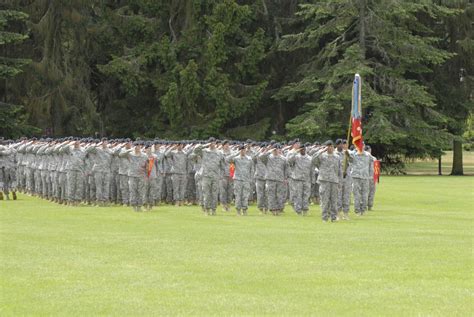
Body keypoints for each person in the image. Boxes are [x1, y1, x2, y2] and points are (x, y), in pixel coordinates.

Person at [191, 138, 225, 215]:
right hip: (206, 176)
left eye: (214, 143)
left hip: (215, 176)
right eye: (211, 143)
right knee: (206, 193)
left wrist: (222, 174)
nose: (212, 144)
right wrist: (205, 145)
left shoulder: (219, 153)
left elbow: (222, 165)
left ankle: (213, 209)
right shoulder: (204, 151)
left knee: (214, 194)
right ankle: (207, 209)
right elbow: (195, 150)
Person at [313, 140, 342, 222]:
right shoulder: (322, 156)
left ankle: (333, 217)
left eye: (331, 146)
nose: (330, 148)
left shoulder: (337, 157)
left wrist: (340, 182)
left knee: (334, 200)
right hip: (324, 181)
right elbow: (313, 160)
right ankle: (325, 218)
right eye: (328, 146)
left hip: (334, 181)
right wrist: (321, 151)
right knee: (325, 200)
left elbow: (340, 171)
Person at [259, 143, 288, 216]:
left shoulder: (283, 158)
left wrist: (285, 178)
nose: (276, 151)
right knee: (271, 195)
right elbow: (261, 157)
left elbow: (286, 169)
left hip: (280, 179)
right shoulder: (268, 157)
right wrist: (269, 151)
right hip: (270, 179)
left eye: (278, 149)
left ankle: (278, 209)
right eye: (275, 149)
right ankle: (272, 209)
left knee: (279, 195)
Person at [226, 145, 254, 215]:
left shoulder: (249, 159)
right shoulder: (236, 158)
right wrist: (236, 153)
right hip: (238, 179)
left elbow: (252, 169)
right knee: (238, 195)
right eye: (241, 150)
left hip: (246, 179)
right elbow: (227, 159)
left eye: (244, 150)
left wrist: (251, 179)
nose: (243, 151)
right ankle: (238, 210)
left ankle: (244, 210)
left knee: (245, 195)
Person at [346, 145, 373, 215]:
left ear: (364, 146)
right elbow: (349, 160)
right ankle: (357, 210)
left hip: (365, 177)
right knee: (356, 194)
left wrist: (371, 176)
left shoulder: (368, 155)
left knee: (365, 194)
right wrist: (347, 154)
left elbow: (371, 166)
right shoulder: (353, 154)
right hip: (356, 177)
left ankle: (363, 209)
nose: (361, 146)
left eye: (362, 145)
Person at [336, 139, 352, 220]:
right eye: (340, 144)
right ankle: (338, 213)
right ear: (337, 145)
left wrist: (348, 154)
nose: (342, 146)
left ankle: (346, 213)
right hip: (338, 178)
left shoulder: (347, 152)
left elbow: (353, 161)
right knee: (338, 196)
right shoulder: (334, 153)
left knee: (346, 196)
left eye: (343, 144)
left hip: (347, 177)